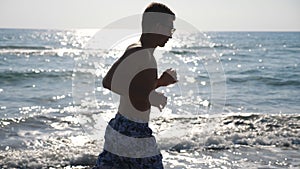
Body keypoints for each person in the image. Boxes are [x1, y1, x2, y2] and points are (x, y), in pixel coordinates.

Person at [93, 2, 177, 169]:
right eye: (170, 29)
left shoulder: (138, 50)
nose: (170, 35)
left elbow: (135, 88)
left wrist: (155, 89)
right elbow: (109, 82)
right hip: (134, 131)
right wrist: (158, 85)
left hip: (121, 126)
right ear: (158, 27)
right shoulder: (141, 53)